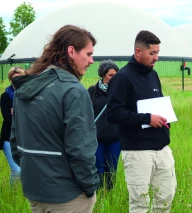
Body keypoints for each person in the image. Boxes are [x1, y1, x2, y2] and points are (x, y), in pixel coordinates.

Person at [10, 25, 100, 213]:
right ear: (71, 51)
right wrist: (90, 186)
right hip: (69, 197)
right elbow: (81, 150)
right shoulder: (73, 91)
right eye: (88, 54)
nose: (92, 61)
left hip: (35, 192)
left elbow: (15, 143)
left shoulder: (25, 87)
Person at [106, 30, 177, 213]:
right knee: (140, 203)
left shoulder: (153, 75)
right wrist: (146, 119)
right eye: (152, 53)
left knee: (166, 196)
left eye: (158, 52)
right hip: (138, 151)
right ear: (138, 52)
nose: (157, 58)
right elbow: (113, 113)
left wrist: (163, 116)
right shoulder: (122, 77)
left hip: (162, 148)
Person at [88, 59, 120, 190]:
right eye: (111, 75)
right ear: (103, 75)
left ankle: (110, 196)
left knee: (111, 170)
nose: (114, 78)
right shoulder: (92, 91)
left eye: (116, 75)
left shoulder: (119, 92)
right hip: (97, 139)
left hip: (115, 139)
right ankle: (99, 197)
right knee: (98, 169)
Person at [0, 67, 25, 185]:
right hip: (8, 138)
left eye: (19, 77)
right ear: (10, 80)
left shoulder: (28, 95)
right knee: (17, 170)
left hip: (25, 139)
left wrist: (18, 111)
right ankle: (12, 195)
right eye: (13, 78)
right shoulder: (5, 96)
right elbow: (7, 117)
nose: (16, 80)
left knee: (26, 171)